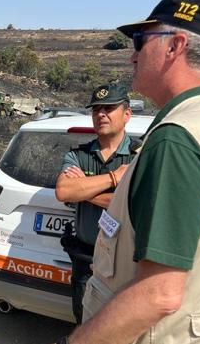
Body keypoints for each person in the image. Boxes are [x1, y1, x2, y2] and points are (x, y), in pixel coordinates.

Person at [56, 0, 200, 344]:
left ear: (174, 45)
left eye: (140, 40)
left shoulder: (177, 139)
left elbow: (159, 293)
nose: (133, 56)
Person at [54, 83, 139, 324]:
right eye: (96, 109)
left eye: (108, 108)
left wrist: (84, 192)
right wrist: (114, 178)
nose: (100, 114)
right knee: (86, 325)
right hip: (85, 260)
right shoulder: (78, 155)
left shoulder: (139, 155)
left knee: (124, 329)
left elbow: (136, 203)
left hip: (127, 264)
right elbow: (63, 190)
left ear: (127, 114)